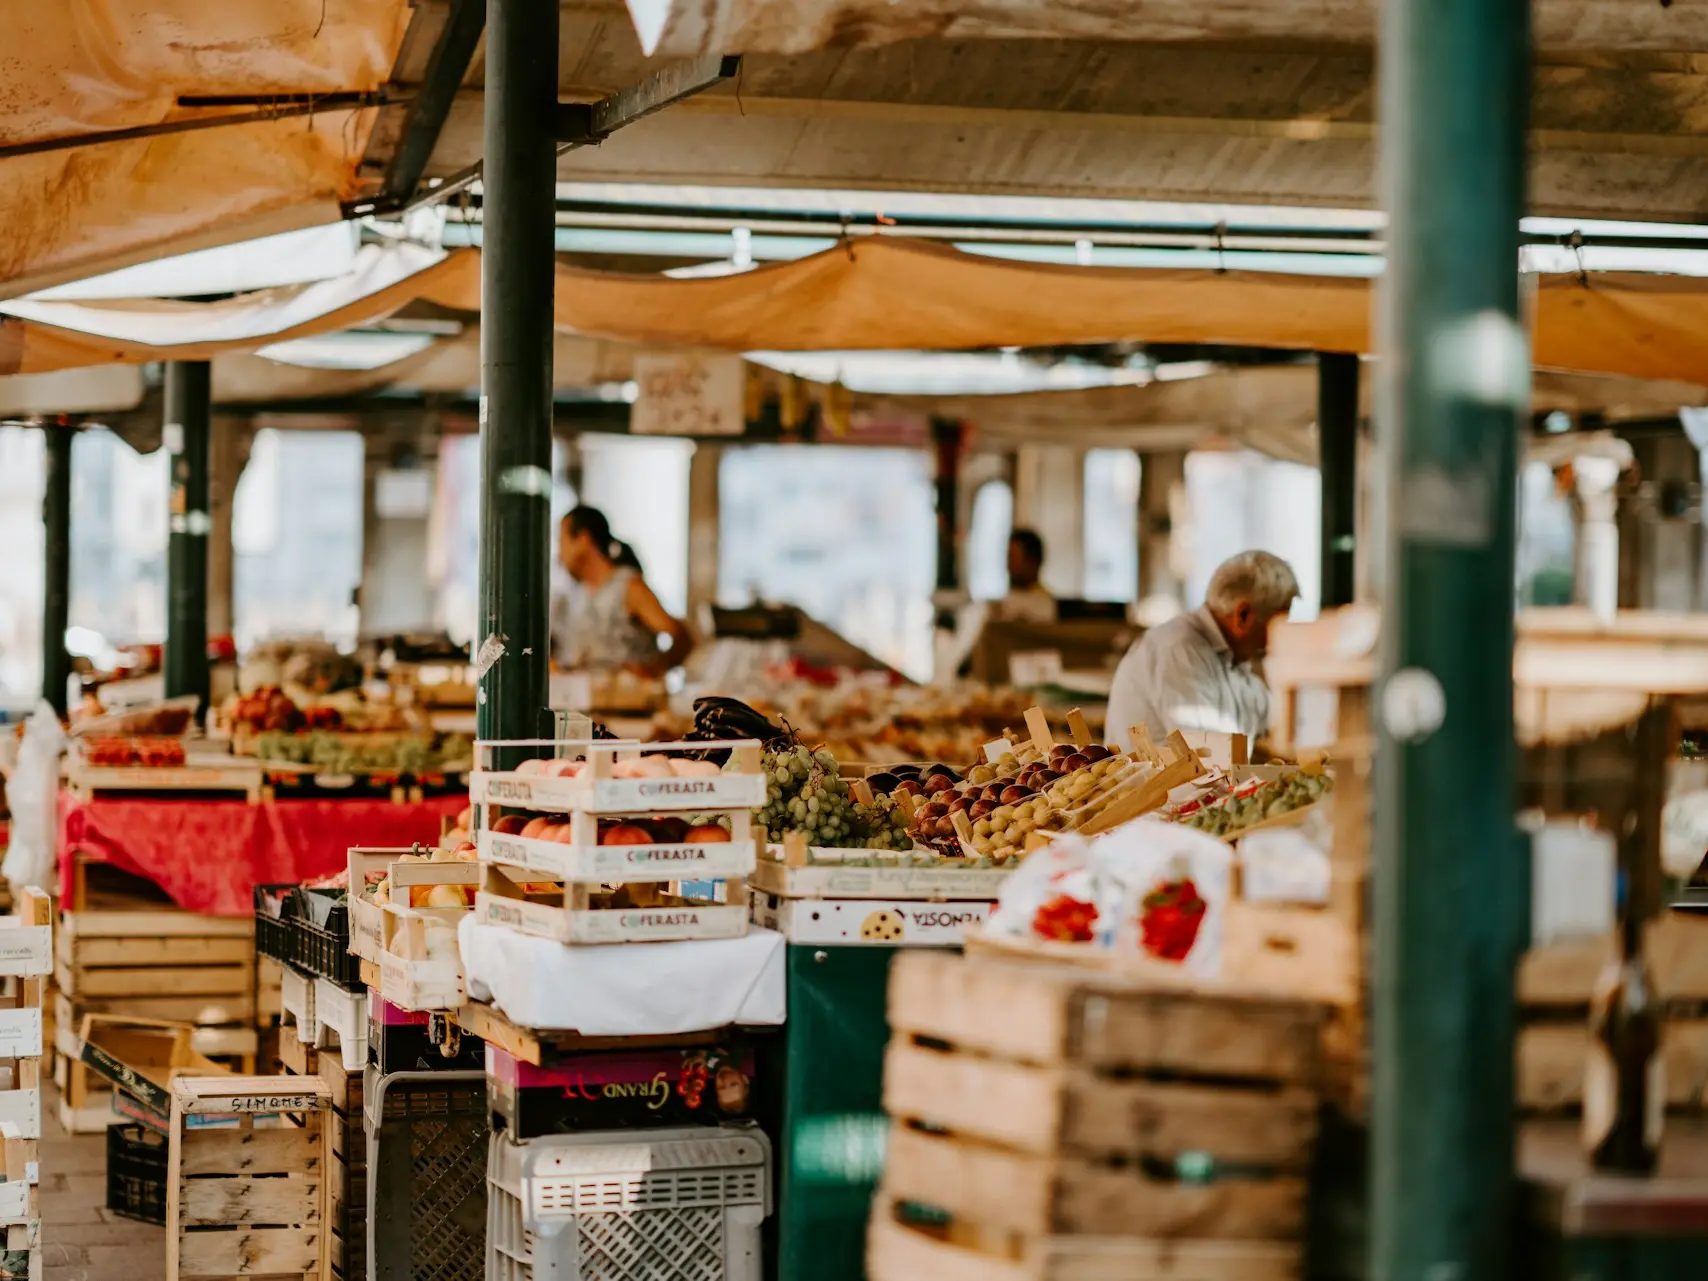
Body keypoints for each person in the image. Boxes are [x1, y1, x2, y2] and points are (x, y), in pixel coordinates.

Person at [1105, 550, 1299, 750]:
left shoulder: (1231, 658)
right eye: (1278, 623)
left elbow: (1276, 717)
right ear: (1243, 615)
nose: (1279, 637)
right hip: (1156, 781)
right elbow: (1212, 756)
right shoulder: (1180, 650)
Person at [551, 506, 693, 676]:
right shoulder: (580, 595)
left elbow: (682, 636)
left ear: (583, 539)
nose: (559, 555)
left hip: (631, 701)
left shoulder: (628, 587)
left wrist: (654, 670)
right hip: (591, 700)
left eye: (562, 542)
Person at [992, 528, 1056, 624]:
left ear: (1033, 562)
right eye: (1008, 558)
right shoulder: (1002, 605)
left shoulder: (1046, 606)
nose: (1008, 566)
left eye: (1014, 558)